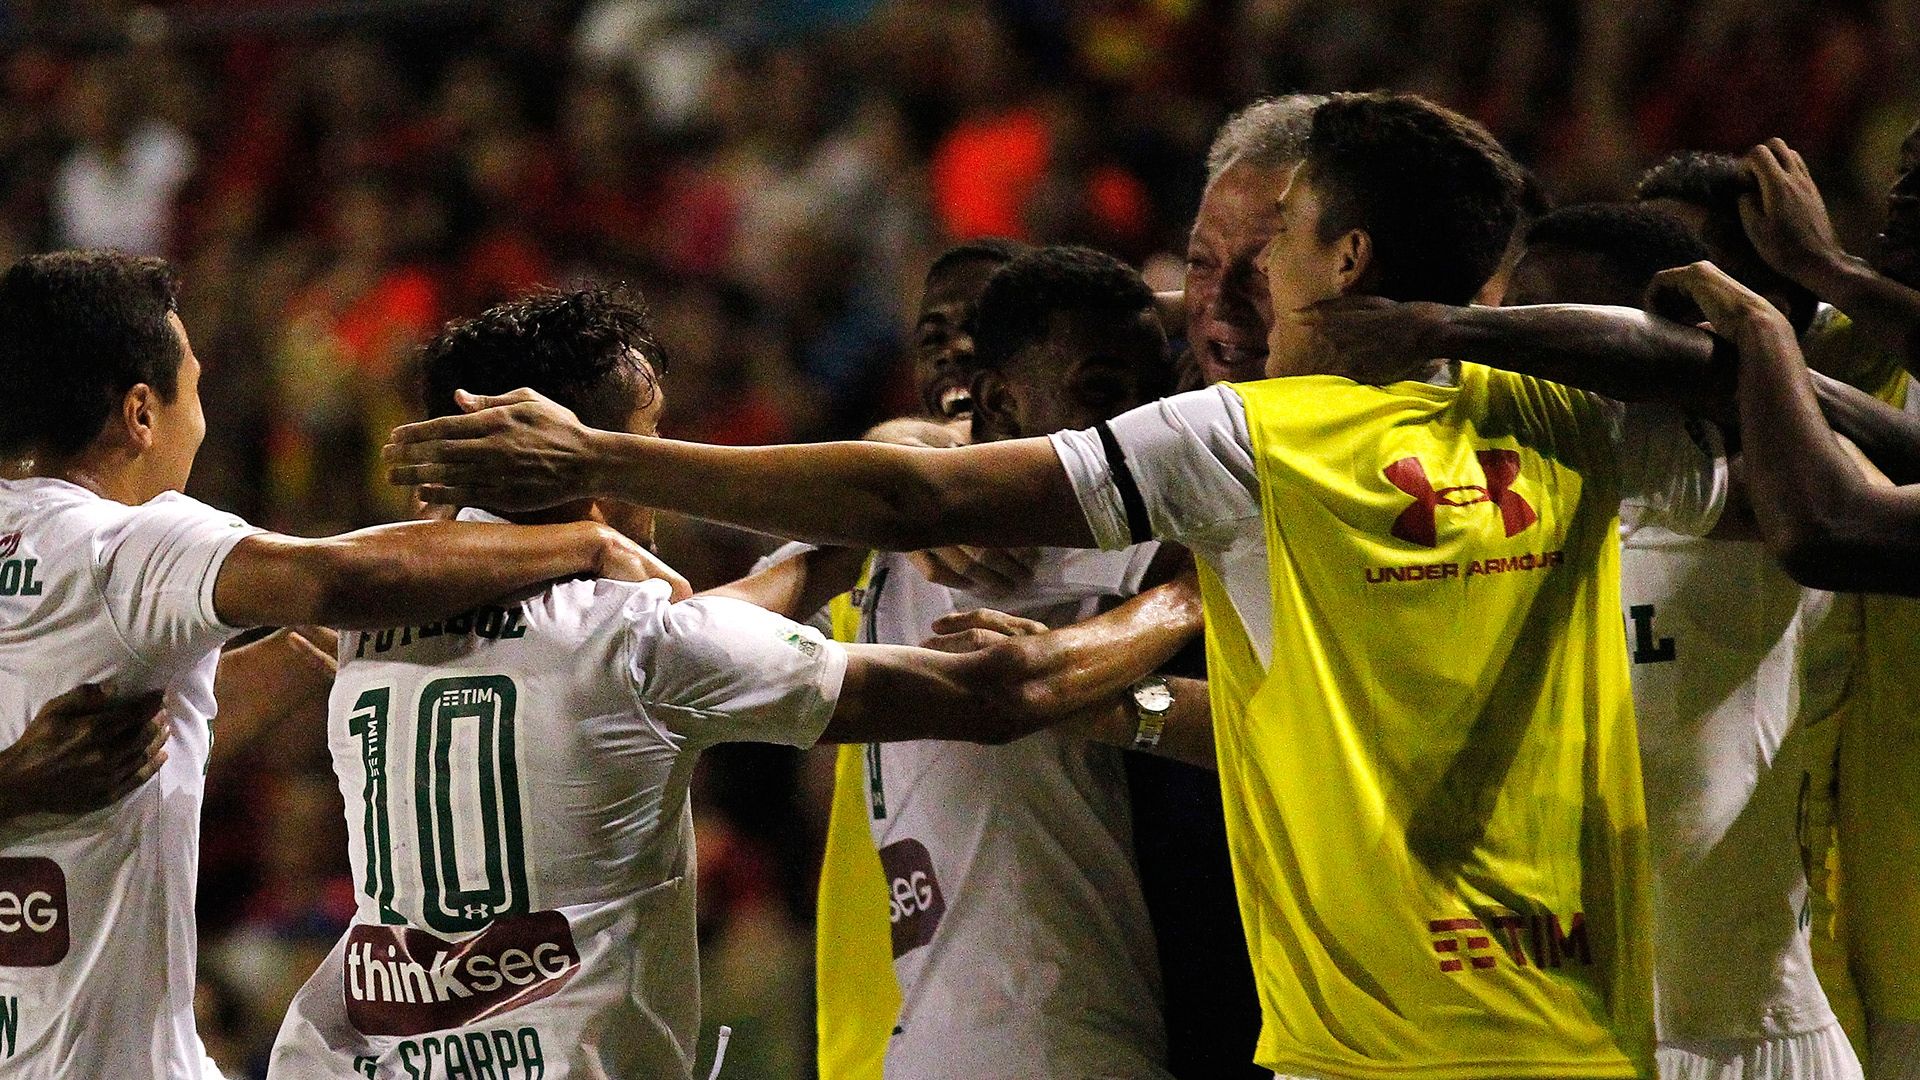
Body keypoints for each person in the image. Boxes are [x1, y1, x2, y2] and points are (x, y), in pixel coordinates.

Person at [384, 92, 1732, 1079]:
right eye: (1203, 266)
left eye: (1260, 254)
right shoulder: (1559, 420)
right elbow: (1756, 388)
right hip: (1531, 1025)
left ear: (1347, 259)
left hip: (1319, 1026)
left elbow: (929, 513)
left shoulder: (1241, 444)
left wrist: (607, 464)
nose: (1223, 297)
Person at [269, 286, 1205, 1080]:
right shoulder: (641, 642)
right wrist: (1187, 597)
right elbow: (996, 696)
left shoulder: (367, 624)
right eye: (649, 437)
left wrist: (871, 518)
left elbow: (671, 641)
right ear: (578, 455)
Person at [0, 250, 675, 1080]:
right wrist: (584, 540)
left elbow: (128, 737)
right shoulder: (122, 546)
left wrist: (309, 652)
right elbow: (334, 578)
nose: (201, 422)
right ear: (141, 413)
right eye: (195, 389)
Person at [733, 246, 1195, 1079]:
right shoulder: (871, 536)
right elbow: (709, 639)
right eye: (933, 336)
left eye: (982, 329)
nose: (956, 352)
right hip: (891, 1026)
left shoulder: (1090, 523)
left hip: (1050, 1023)